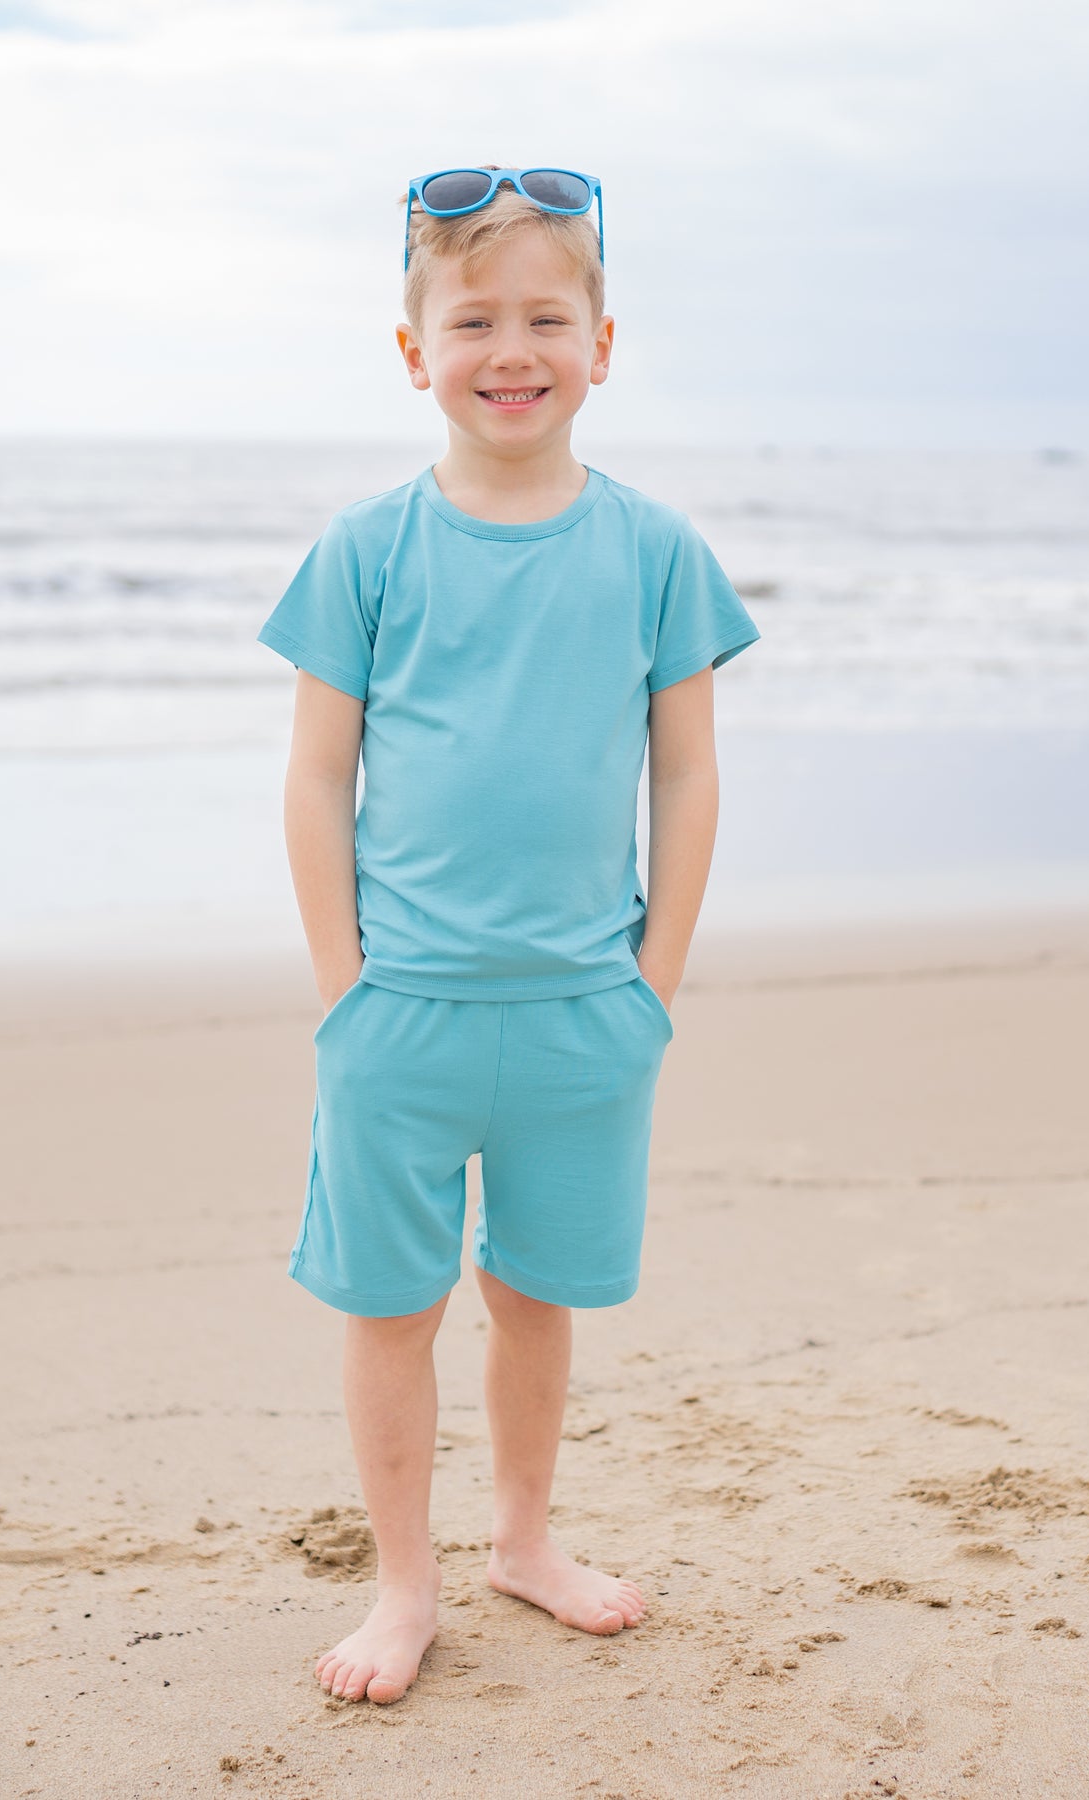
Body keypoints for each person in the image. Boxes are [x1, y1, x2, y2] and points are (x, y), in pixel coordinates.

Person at [256, 165, 761, 1706]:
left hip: (583, 1009)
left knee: (538, 1293)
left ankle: (524, 1541)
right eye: (474, 317)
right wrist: (346, 989)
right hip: (400, 1007)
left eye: (549, 315)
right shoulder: (368, 547)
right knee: (390, 1305)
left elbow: (685, 773)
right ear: (417, 352)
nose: (512, 347)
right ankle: (402, 1586)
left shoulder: (657, 549)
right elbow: (317, 775)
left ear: (603, 345)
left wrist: (651, 984)